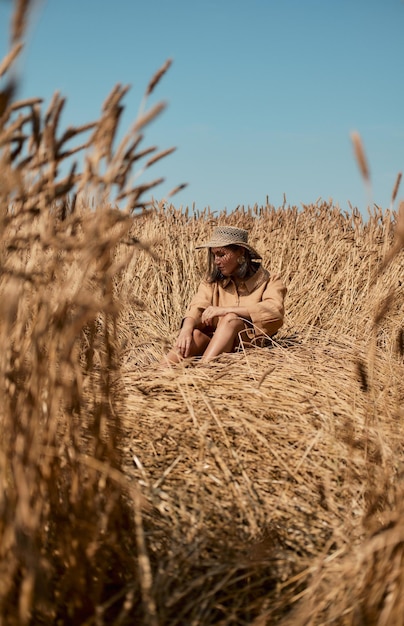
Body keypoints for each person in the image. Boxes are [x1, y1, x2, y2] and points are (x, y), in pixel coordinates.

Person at [162, 225, 287, 365]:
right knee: (194, 335)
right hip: (213, 343)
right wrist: (186, 329)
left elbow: (274, 311)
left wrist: (226, 310)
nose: (216, 261)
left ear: (240, 252)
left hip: (247, 346)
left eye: (221, 255)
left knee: (231, 320)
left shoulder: (270, 281)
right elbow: (198, 306)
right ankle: (154, 377)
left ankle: (202, 374)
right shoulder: (212, 282)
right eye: (214, 255)